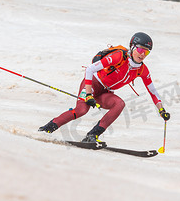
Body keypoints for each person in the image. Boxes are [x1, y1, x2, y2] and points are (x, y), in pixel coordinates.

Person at [38, 32, 170, 142]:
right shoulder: (119, 57)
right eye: (140, 50)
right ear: (133, 47)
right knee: (82, 110)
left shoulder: (142, 70)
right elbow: (89, 70)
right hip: (92, 84)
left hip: (105, 92)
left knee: (119, 104)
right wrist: (89, 94)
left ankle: (92, 135)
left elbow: (152, 91)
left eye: (146, 53)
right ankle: (47, 128)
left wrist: (161, 110)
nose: (142, 55)